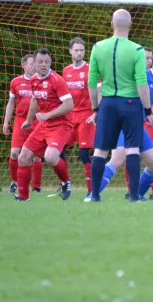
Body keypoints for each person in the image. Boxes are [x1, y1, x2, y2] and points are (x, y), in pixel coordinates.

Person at [90, 52, 153, 202]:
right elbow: (104, 87)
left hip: (138, 126)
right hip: (122, 124)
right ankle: (92, 195)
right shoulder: (142, 76)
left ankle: (135, 195)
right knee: (117, 159)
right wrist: (99, 110)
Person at [88, 8, 153, 203]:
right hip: (131, 103)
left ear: (111, 25)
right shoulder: (136, 49)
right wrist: (148, 110)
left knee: (100, 150)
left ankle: (95, 196)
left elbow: (92, 82)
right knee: (132, 149)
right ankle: (134, 196)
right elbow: (141, 83)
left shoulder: (98, 47)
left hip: (107, 103)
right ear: (130, 25)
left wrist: (95, 108)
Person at [15, 48, 74, 201]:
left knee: (50, 157)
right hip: (44, 125)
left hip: (61, 124)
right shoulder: (34, 79)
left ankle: (65, 182)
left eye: (47, 62)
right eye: (40, 62)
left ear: (50, 63)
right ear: (34, 63)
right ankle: (23, 197)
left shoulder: (57, 80)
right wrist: (28, 120)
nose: (43, 65)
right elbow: (35, 100)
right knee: (23, 157)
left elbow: (69, 105)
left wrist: (47, 115)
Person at [2, 54, 43, 193]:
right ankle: (15, 182)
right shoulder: (16, 82)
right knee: (14, 153)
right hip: (20, 120)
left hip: (36, 121)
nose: (35, 66)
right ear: (24, 65)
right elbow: (11, 102)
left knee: (37, 155)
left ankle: (36, 186)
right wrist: (6, 122)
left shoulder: (40, 82)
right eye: (32, 63)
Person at [62, 37, 95, 199]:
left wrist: (96, 112)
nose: (79, 53)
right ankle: (65, 184)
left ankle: (91, 189)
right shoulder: (66, 71)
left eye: (82, 50)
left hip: (86, 116)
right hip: (69, 117)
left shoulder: (91, 69)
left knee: (83, 154)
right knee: (59, 150)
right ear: (70, 51)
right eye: (76, 50)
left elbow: (99, 92)